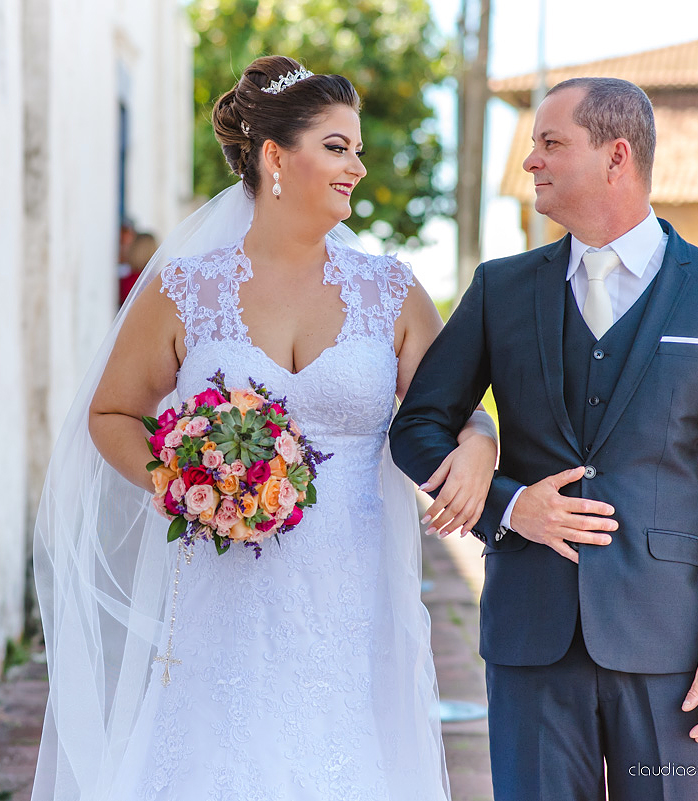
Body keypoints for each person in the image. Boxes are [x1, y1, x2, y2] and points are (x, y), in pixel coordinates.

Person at [31, 55, 499, 800]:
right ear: (277, 157)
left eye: (358, 150)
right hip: (223, 590)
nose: (356, 167)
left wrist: (480, 442)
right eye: (338, 147)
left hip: (349, 596)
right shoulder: (185, 289)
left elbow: (454, 408)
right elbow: (111, 412)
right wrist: (185, 481)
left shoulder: (391, 291)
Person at [390, 77, 698, 801]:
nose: (530, 161)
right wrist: (507, 506)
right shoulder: (500, 289)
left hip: (671, 644)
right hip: (531, 636)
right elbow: (416, 426)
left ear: (616, 155)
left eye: (550, 143)